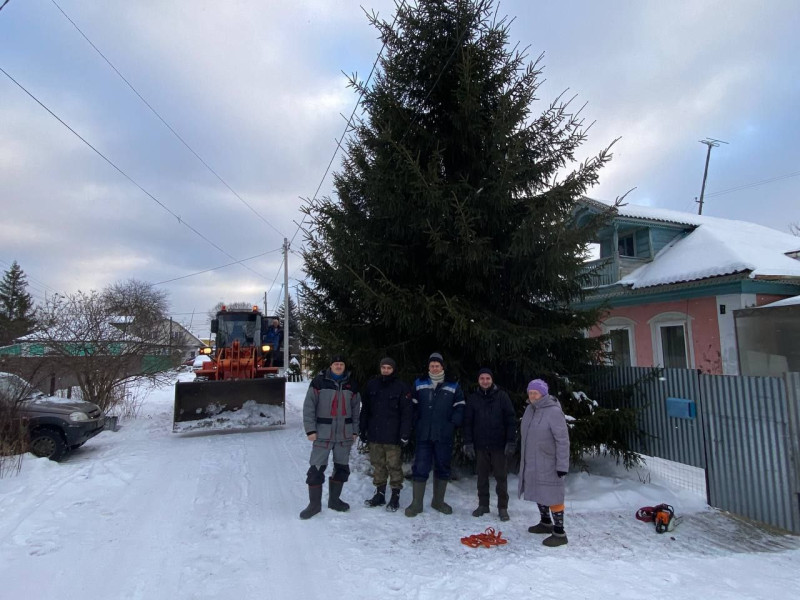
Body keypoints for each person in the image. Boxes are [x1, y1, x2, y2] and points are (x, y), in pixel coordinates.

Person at [299, 355, 361, 520]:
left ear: (344, 366)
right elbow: (309, 407)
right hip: (322, 433)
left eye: (341, 364)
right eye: (336, 364)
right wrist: (310, 429)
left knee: (341, 468)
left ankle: (334, 500)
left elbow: (356, 411)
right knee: (316, 469)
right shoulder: (319, 382)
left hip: (344, 435)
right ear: (331, 366)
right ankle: (314, 505)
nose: (339, 366)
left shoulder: (351, 385)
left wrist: (355, 430)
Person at [405, 352, 465, 517]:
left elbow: (460, 406)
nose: (434, 368)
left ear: (442, 367)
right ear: (429, 367)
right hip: (424, 434)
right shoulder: (419, 383)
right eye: (432, 365)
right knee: (421, 467)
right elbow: (412, 405)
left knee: (443, 466)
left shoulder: (453, 385)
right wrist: (416, 422)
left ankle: (438, 501)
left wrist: (452, 423)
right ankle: (416, 504)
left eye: (437, 365)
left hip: (443, 435)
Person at [518, 378, 570, 546]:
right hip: (533, 460)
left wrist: (562, 465)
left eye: (536, 392)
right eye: (530, 392)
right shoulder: (530, 410)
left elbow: (562, 440)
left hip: (549, 462)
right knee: (539, 491)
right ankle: (545, 522)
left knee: (553, 495)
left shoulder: (553, 411)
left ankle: (560, 533)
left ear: (543, 394)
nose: (532, 395)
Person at [360, 357, 413, 512]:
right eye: (383, 368)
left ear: (393, 369)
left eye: (389, 368)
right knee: (378, 465)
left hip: (393, 436)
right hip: (375, 434)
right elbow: (366, 410)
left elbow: (407, 413)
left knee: (394, 466)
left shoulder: (401, 387)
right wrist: (362, 429)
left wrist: (404, 433)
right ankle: (380, 494)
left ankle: (395, 496)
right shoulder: (372, 385)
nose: (386, 371)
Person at [463, 368, 516, 521]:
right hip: (480, 445)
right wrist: (468, 442)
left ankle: (502, 507)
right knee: (482, 477)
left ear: (492, 380)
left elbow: (511, 420)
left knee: (501, 477)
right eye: (482, 378)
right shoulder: (473, 398)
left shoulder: (502, 397)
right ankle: (483, 505)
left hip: (499, 445)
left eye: (487, 378)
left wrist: (510, 441)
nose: (485, 381)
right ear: (478, 381)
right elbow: (468, 422)